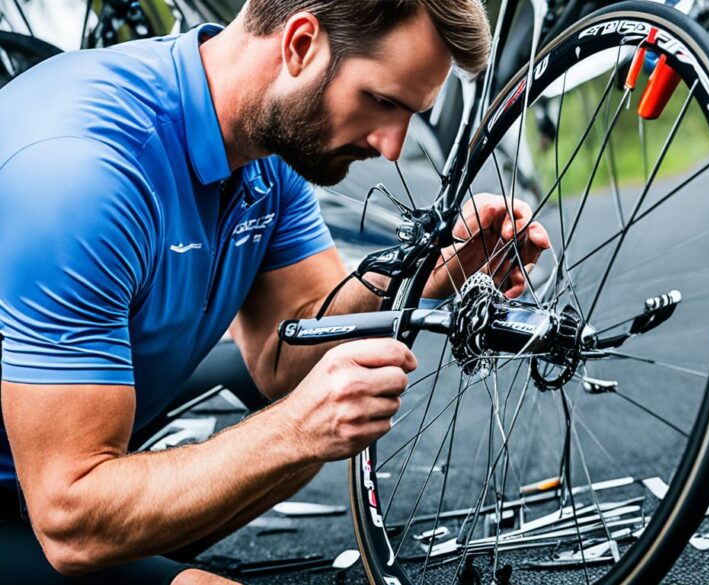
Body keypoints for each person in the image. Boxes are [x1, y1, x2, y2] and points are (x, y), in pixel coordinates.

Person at [0, 0, 550, 582]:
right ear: (300, 45)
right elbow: (69, 518)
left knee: (318, 392)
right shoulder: (85, 177)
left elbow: (297, 340)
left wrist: (432, 270)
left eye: (411, 114)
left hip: (63, 461)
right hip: (55, 505)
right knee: (292, 430)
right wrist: (294, 431)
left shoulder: (271, 141)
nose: (392, 145)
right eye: (382, 101)